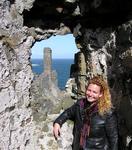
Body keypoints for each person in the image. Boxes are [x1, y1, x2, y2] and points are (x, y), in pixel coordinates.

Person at [53, 75, 118, 150]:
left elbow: (113, 139)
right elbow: (68, 113)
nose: (90, 94)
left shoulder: (107, 113)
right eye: (89, 90)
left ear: (100, 94)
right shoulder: (80, 105)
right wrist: (57, 122)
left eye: (94, 92)